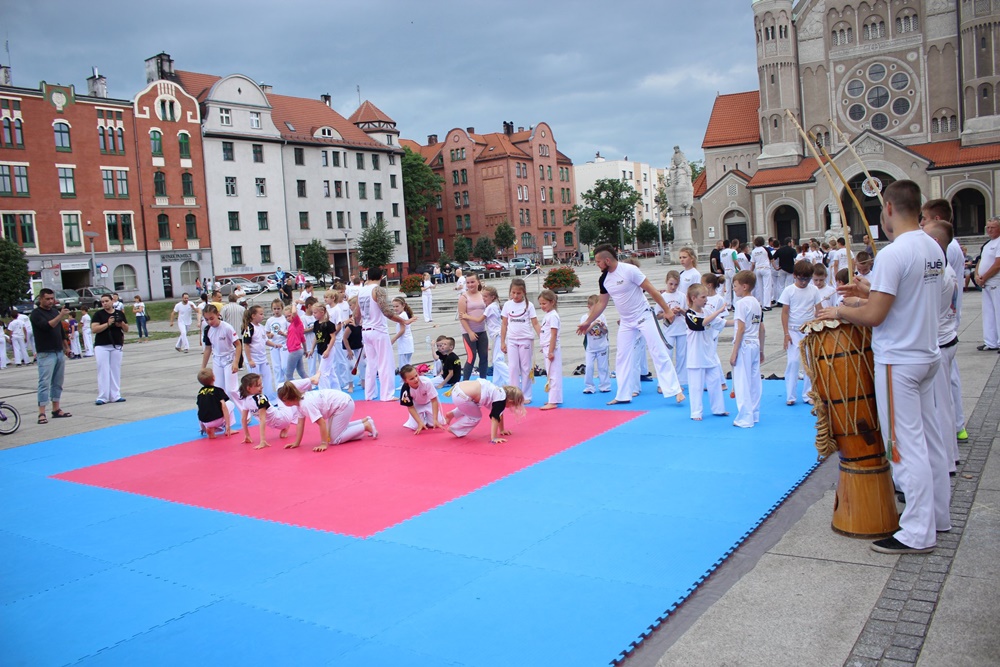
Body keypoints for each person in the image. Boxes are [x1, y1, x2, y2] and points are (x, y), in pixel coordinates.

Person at [820, 179, 949, 555]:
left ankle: (917, 531)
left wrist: (840, 310)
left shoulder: (895, 253)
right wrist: (867, 291)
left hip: (899, 360)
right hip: (926, 354)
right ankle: (938, 515)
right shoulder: (932, 246)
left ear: (888, 208)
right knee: (931, 441)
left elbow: (875, 316)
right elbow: (908, 295)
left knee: (903, 446)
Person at [578, 244, 684, 405]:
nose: (597, 264)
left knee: (658, 351)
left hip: (644, 316)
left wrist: (667, 310)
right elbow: (601, 303)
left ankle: (675, 390)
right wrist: (587, 322)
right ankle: (623, 395)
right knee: (622, 357)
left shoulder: (630, 270)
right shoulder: (604, 279)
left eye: (598, 261)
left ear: (607, 260)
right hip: (626, 322)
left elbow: (652, 290)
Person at [922, 219, 962, 471]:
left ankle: (946, 460)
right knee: (943, 403)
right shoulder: (943, 269)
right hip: (945, 339)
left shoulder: (939, 274)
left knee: (939, 406)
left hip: (940, 342)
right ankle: (950, 455)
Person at [277, 381, 377, 452]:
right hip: (342, 403)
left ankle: (365, 426)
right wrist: (297, 443)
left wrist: (324, 443)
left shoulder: (305, 404)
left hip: (343, 405)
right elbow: (300, 423)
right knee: (334, 434)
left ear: (286, 400)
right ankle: (364, 422)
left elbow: (322, 423)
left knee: (334, 439)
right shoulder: (300, 403)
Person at [355, 266, 408, 401]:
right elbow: (386, 311)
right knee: (385, 363)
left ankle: (369, 394)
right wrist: (402, 320)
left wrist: (358, 324)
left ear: (367, 277)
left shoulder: (361, 291)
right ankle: (387, 394)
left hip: (366, 330)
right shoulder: (378, 290)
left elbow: (356, 314)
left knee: (371, 364)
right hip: (378, 330)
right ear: (381, 277)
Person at [234, 372, 319, 449]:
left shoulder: (245, 400)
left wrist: (247, 435)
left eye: (261, 384)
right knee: (281, 386)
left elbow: (243, 419)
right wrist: (262, 440)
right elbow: (262, 419)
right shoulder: (260, 398)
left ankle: (286, 426)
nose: (262, 387)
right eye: (258, 385)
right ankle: (311, 380)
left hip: (277, 424)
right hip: (283, 418)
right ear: (249, 388)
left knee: (286, 399)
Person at [779, 260, 823, 405]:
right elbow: (785, 313)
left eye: (807, 279)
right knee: (793, 362)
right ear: (795, 276)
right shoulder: (789, 290)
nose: (804, 282)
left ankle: (808, 394)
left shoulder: (814, 290)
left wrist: (820, 325)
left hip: (809, 330)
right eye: (801, 279)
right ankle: (790, 396)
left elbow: (819, 310)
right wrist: (786, 334)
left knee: (809, 363)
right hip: (793, 331)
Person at [684, 284, 729, 421]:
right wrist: (719, 311)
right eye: (703, 297)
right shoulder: (689, 314)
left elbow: (721, 323)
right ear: (694, 298)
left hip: (709, 354)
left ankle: (719, 409)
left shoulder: (708, 312)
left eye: (706, 297)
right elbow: (700, 324)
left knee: (715, 383)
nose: (706, 300)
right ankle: (696, 412)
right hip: (696, 357)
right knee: (696, 387)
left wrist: (741, 322)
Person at [30, 289, 72, 423]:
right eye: (47, 299)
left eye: (52, 299)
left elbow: (60, 331)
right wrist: (60, 316)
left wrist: (66, 347)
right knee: (44, 383)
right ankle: (41, 412)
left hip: (58, 351)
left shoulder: (54, 311)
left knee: (58, 382)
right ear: (41, 299)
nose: (50, 301)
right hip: (45, 352)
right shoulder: (36, 314)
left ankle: (56, 408)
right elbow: (47, 326)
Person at [730, 271, 764, 428]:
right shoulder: (756, 303)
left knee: (742, 381)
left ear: (744, 286)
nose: (734, 289)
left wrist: (734, 351)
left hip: (744, 344)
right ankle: (754, 413)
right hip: (755, 343)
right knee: (754, 381)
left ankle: (745, 417)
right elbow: (761, 327)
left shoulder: (741, 304)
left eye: (735, 286)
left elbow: (741, 328)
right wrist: (761, 349)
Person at [444, 379, 526, 442]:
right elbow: (495, 418)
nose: (510, 407)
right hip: (461, 397)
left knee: (474, 407)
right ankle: (455, 429)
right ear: (510, 401)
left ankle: (452, 414)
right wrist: (494, 438)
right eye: (512, 405)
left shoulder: (499, 391)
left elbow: (500, 414)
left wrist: (502, 430)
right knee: (476, 417)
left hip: (458, 388)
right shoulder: (500, 400)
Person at [500, 278, 540, 404]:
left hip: (525, 339)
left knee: (525, 367)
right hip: (512, 340)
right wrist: (502, 342)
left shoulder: (529, 305)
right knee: (512, 367)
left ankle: (526, 395)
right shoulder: (507, 305)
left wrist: (543, 339)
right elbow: (504, 324)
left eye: (518, 293)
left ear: (524, 293)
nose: (515, 295)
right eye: (513, 293)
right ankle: (514, 394)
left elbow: (535, 323)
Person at [91, 293, 129, 405]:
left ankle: (115, 395)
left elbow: (126, 329)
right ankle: (103, 396)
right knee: (103, 370)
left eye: (106, 301)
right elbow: (94, 329)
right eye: (102, 302)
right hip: (102, 345)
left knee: (115, 370)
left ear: (112, 301)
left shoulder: (119, 313)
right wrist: (107, 324)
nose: (105, 303)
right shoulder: (98, 314)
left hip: (116, 345)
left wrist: (121, 324)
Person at [200, 304, 241, 397]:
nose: (209, 322)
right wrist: (203, 367)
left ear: (218, 315)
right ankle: (224, 406)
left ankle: (241, 405)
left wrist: (236, 362)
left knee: (231, 390)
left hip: (229, 359)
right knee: (219, 388)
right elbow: (208, 349)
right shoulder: (207, 330)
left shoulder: (227, 328)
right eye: (206, 319)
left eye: (212, 318)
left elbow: (238, 345)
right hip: (217, 360)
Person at [654, 271, 687, 386]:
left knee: (682, 356)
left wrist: (681, 311)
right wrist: (667, 313)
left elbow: (688, 313)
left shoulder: (682, 296)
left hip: (682, 329)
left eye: (676, 284)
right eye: (671, 284)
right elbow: (657, 315)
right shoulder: (662, 297)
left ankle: (680, 382)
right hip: (668, 330)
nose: (673, 287)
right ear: (666, 282)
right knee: (666, 356)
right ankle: (663, 383)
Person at [974, 217, 1000, 352]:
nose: (989, 230)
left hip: (996, 282)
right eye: (988, 227)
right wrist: (977, 276)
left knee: (998, 312)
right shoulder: (987, 244)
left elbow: (997, 264)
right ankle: (990, 341)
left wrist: (984, 277)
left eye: (992, 227)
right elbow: (980, 261)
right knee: (988, 313)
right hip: (986, 284)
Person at [242, 304, 277, 401]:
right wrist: (250, 360)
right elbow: (246, 345)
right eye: (261, 314)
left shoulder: (261, 327)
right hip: (254, 359)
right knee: (255, 380)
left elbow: (265, 340)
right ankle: (255, 398)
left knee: (267, 377)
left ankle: (269, 397)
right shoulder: (249, 328)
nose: (263, 316)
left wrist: (275, 345)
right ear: (253, 316)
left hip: (262, 358)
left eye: (263, 314)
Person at [458, 273, 489, 380]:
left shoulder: (482, 295)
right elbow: (462, 317)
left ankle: (483, 381)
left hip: (482, 330)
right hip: (468, 332)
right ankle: (465, 382)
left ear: (478, 282)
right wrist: (470, 332)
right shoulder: (463, 297)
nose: (470, 285)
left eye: (472, 282)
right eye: (468, 282)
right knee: (471, 357)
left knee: (484, 357)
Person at [398, 364, 444, 434]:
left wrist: (435, 419)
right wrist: (419, 422)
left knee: (435, 423)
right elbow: (410, 407)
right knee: (415, 426)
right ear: (405, 380)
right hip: (416, 405)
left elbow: (434, 400)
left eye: (416, 376)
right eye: (411, 379)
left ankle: (430, 418)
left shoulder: (427, 382)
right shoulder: (405, 389)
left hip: (429, 402)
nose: (416, 379)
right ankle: (421, 420)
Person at [580, 294, 611, 394]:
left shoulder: (602, 316)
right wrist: (593, 324)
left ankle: (604, 385)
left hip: (602, 346)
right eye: (595, 307)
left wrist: (602, 326)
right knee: (589, 367)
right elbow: (584, 332)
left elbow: (606, 331)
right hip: (590, 348)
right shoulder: (585, 318)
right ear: (589, 306)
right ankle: (589, 386)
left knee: (603, 367)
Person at [537, 289, 562, 411]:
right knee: (551, 374)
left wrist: (551, 350)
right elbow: (545, 333)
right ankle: (555, 397)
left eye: (544, 303)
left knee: (553, 374)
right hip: (547, 346)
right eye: (540, 304)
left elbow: (553, 334)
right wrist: (544, 346)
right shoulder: (548, 315)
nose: (542, 306)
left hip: (551, 348)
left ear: (552, 302)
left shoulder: (553, 316)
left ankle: (553, 400)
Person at [196, 368, 232, 439]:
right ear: (214, 378)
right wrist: (228, 425)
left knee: (204, 406)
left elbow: (199, 408)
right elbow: (224, 406)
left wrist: (202, 426)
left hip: (205, 421)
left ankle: (211, 429)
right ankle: (228, 430)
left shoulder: (200, 392)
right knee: (229, 404)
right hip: (216, 420)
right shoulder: (218, 390)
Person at [308, 302, 338, 390]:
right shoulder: (316, 324)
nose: (314, 314)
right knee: (331, 372)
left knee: (322, 373)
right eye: (313, 313)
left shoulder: (329, 324)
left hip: (328, 348)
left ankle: (325, 391)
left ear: (322, 312)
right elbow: (316, 337)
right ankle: (337, 390)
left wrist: (328, 350)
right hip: (321, 349)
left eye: (315, 312)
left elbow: (333, 338)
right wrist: (312, 349)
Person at [283, 305, 308, 382]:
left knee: (288, 375)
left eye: (289, 316)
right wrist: (305, 350)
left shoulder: (297, 322)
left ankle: (292, 388)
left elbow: (294, 312)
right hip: (298, 350)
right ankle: (310, 384)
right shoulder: (292, 326)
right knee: (301, 371)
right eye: (286, 317)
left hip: (295, 350)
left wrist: (293, 304)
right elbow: (302, 339)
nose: (288, 318)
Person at [391, 297, 415, 370]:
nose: (395, 308)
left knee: (403, 367)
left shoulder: (402, 316)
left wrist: (393, 339)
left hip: (405, 343)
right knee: (407, 364)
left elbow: (402, 330)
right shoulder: (403, 315)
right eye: (394, 306)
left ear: (403, 305)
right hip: (406, 343)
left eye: (397, 306)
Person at [751, 236, 774, 310]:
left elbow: (753, 263)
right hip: (765, 268)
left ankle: (762, 303)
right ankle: (767, 305)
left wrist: (750, 271)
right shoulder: (765, 249)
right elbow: (771, 259)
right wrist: (775, 267)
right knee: (767, 287)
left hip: (758, 269)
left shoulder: (754, 251)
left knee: (760, 287)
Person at [721, 239, 739, 308]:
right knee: (735, 287)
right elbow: (735, 260)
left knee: (728, 288)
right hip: (732, 270)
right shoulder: (732, 251)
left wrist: (724, 269)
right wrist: (739, 268)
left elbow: (721, 263)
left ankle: (728, 304)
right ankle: (735, 304)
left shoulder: (722, 253)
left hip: (726, 270)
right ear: (730, 244)